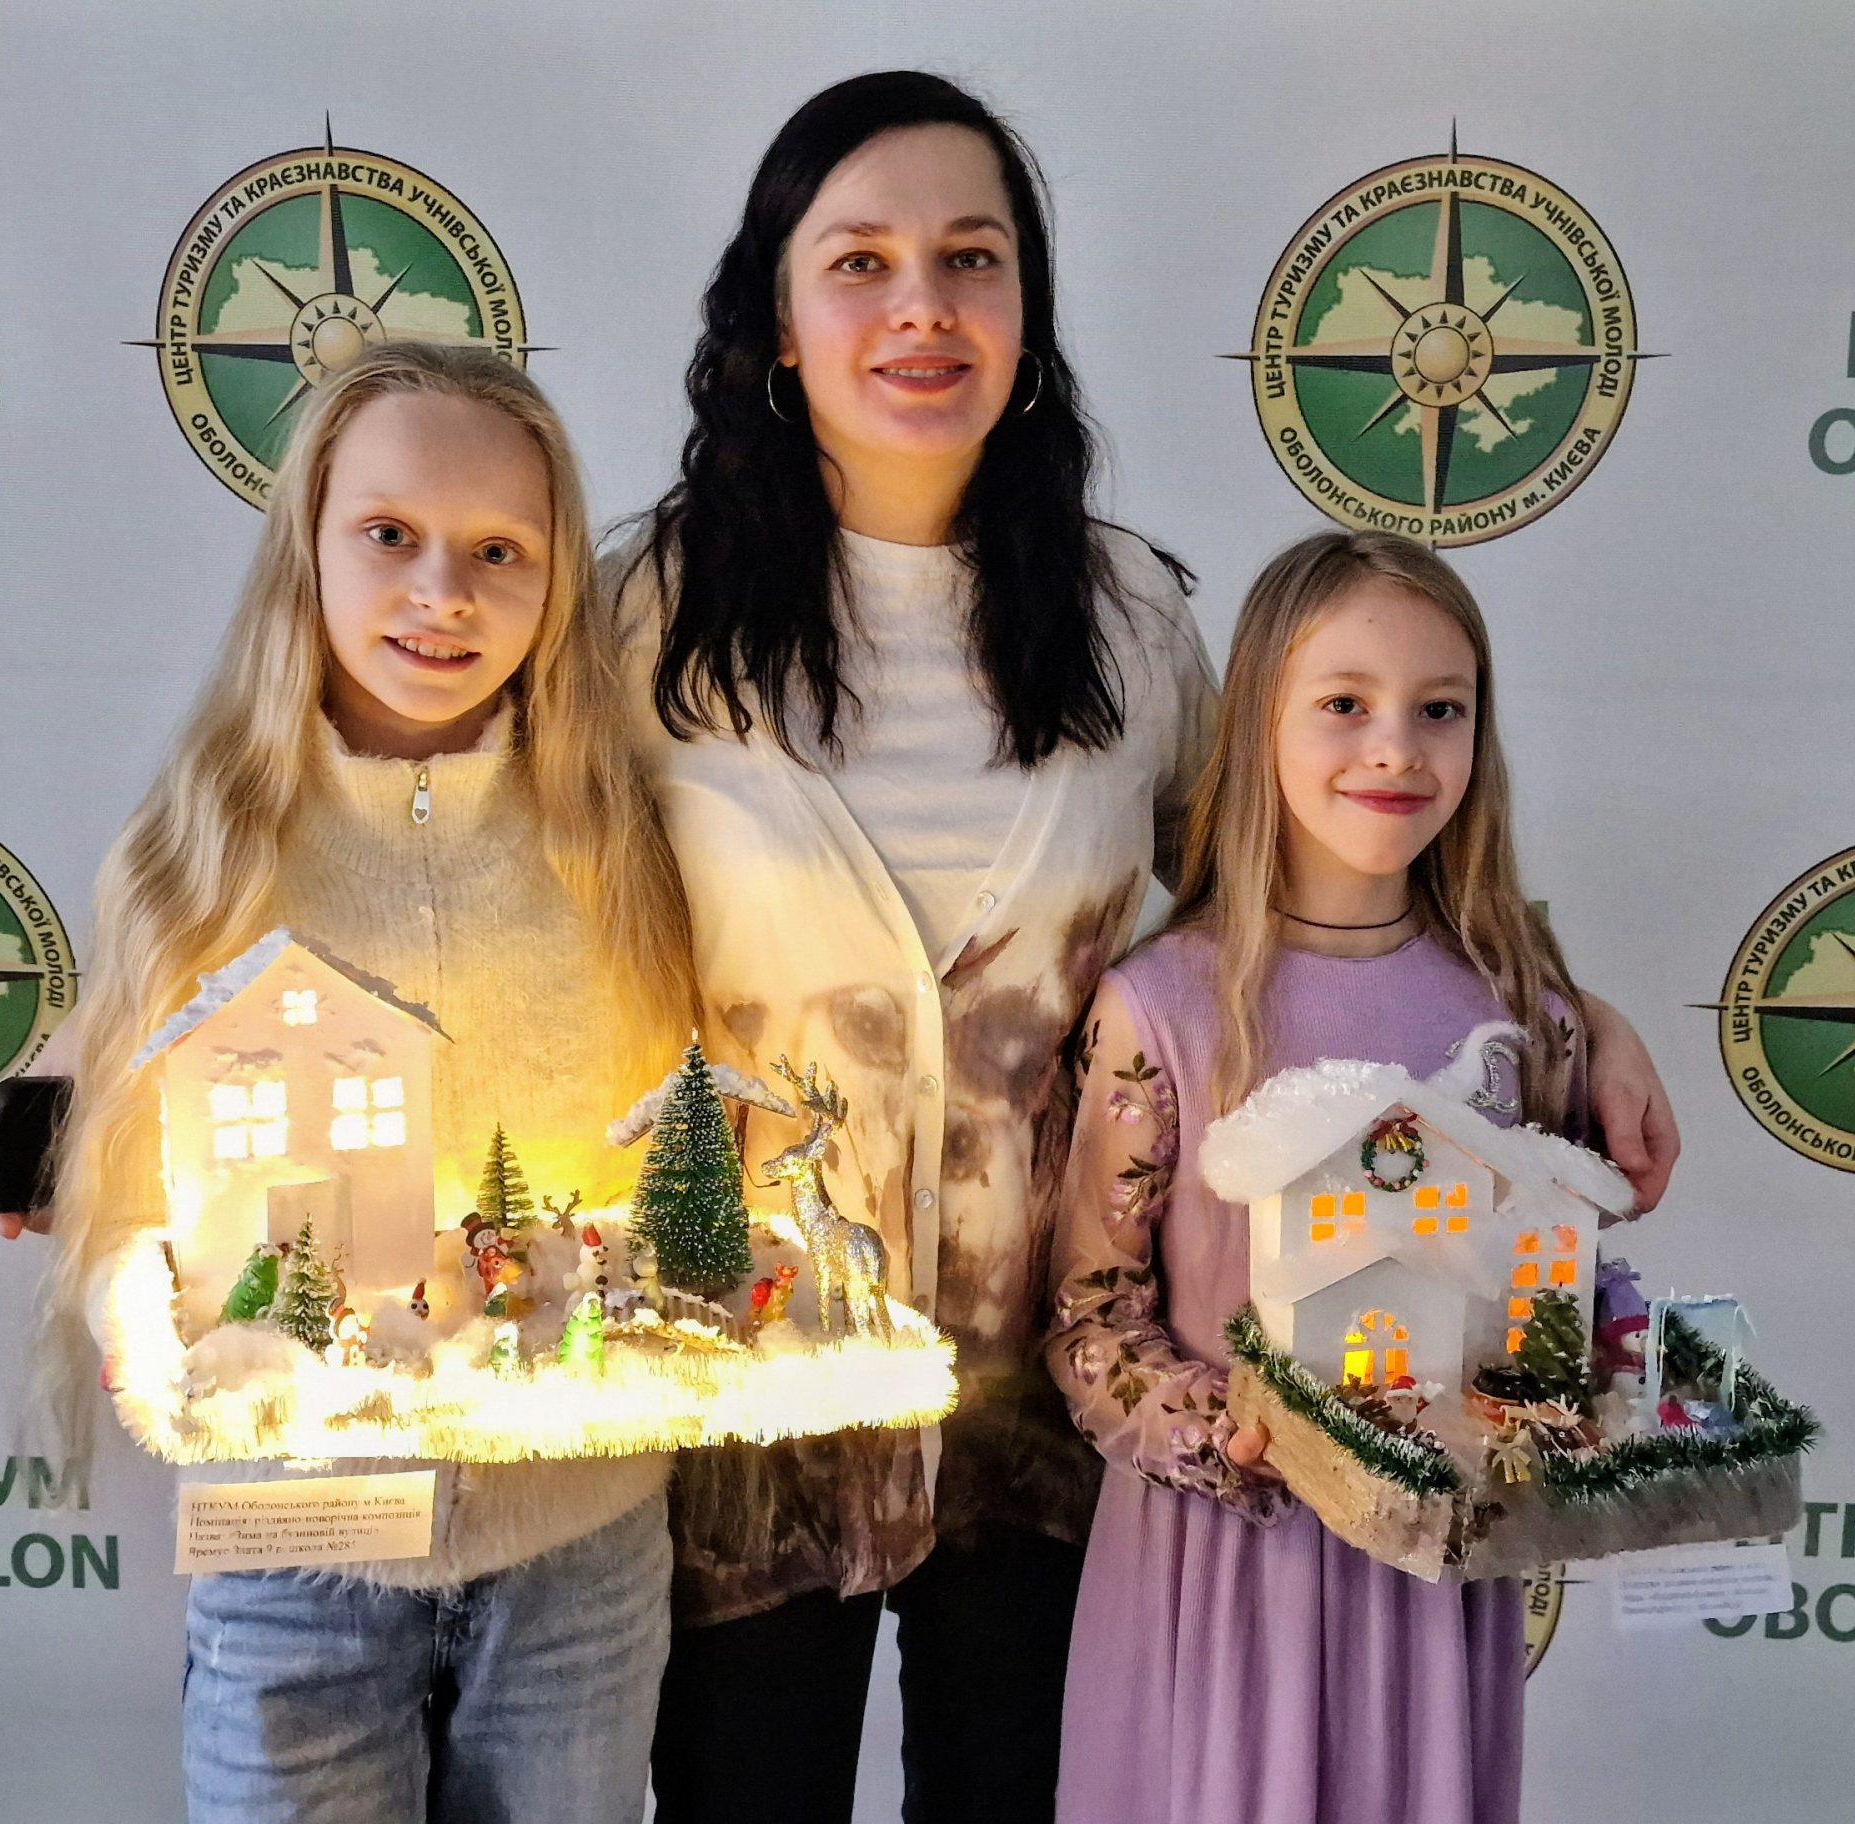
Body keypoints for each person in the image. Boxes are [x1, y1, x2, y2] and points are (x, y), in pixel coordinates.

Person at [620, 72, 1677, 1824]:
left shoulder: (1124, 620)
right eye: (860, 263)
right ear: (777, 322)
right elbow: (504, 908)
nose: (921, 308)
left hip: (1053, 1417)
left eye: (972, 259)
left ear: (1028, 314)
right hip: (745, 1385)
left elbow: (1300, 880)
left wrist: (1568, 1002)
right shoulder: (642, 620)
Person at [15, 342, 694, 1823]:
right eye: (389, 533)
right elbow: (119, 1189)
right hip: (294, 1554)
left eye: (499, 552)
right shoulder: (200, 854)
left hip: (577, 1554)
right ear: (307, 547)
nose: (442, 593)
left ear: (558, 584)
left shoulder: (625, 847)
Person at [1046, 529, 1594, 1824]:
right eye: (1345, 703)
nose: (1395, 748)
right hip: (1224, 1576)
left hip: (1429, 1585)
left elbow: (1554, 1279)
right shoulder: (1161, 1005)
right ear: (1260, 721)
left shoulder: (1523, 1011)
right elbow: (1091, 1322)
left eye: (1439, 710)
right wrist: (1226, 1426)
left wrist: (1559, 1391)